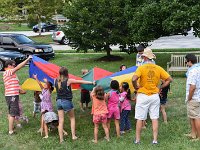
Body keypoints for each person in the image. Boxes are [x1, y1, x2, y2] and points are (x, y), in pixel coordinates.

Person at [132, 48, 172, 144]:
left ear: (145, 57)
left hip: (143, 95)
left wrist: (136, 87)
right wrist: (160, 87)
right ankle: (155, 140)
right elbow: (169, 79)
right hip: (154, 96)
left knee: (140, 118)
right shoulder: (158, 68)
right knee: (154, 118)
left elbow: (134, 78)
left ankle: (137, 140)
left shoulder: (141, 68)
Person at [54, 67, 95, 143]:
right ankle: (73, 136)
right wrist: (91, 82)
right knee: (72, 118)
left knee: (61, 121)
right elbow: (80, 81)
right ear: (67, 73)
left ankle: (61, 140)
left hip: (58, 101)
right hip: (66, 101)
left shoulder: (55, 80)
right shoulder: (68, 81)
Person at [3, 55, 32, 135]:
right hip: (12, 96)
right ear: (9, 66)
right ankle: (11, 131)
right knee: (13, 113)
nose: (14, 66)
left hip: (11, 95)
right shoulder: (8, 72)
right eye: (13, 65)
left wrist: (20, 91)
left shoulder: (11, 74)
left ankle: (11, 128)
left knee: (10, 112)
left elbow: (14, 85)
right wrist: (27, 59)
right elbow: (19, 67)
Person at [184, 54, 200, 140]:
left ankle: (199, 137)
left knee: (196, 117)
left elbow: (192, 87)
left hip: (194, 97)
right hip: (198, 96)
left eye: (186, 61)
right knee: (192, 116)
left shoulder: (193, 71)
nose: (185, 63)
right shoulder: (198, 68)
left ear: (190, 61)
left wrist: (189, 98)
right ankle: (193, 133)